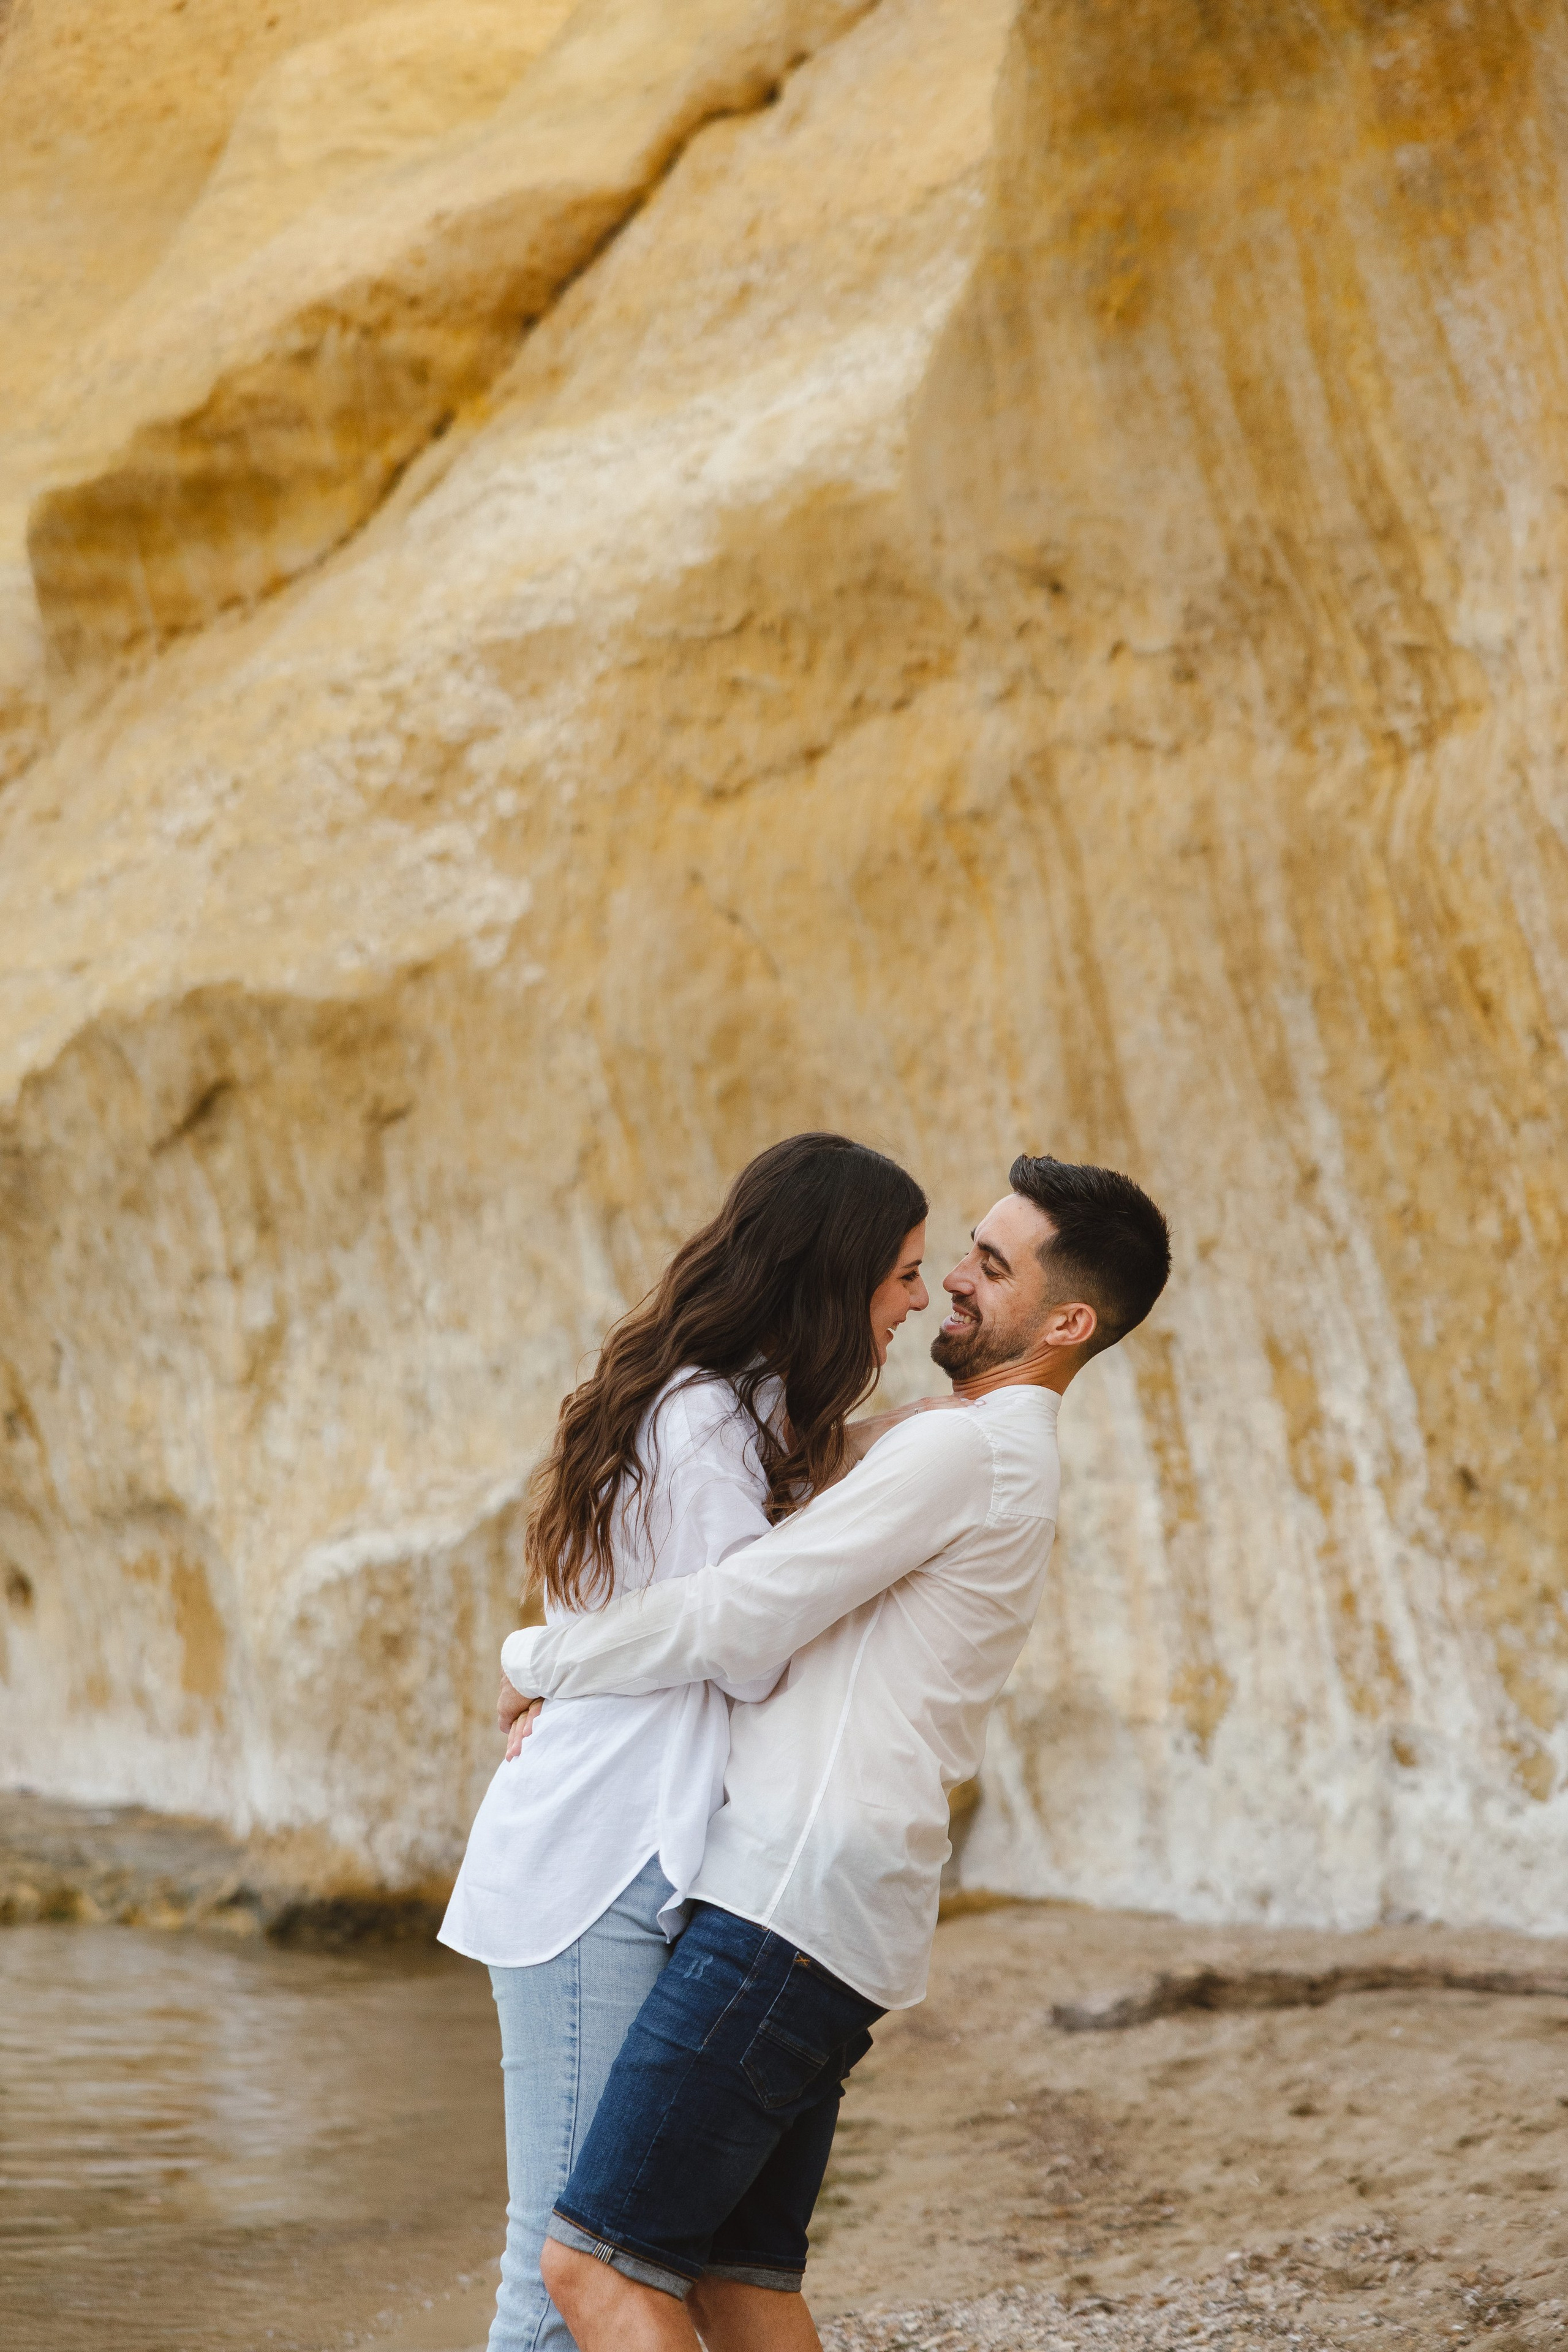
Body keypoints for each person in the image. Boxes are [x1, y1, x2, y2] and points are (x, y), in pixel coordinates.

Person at [497, 1153, 1172, 2352]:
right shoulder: (968, 1443)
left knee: (589, 2267)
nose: (949, 1284)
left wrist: (537, 1660)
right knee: (732, 2282)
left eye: (988, 1268)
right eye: (957, 1253)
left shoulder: (963, 1452)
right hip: (837, 1908)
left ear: (1067, 1322)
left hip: (782, 1902)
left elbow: (739, 1616)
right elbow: (800, 1483)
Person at [439, 1133, 933, 2352]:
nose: (918, 1301)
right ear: (837, 1275)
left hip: (639, 1856)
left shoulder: (740, 1414)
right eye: (904, 1274)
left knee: (623, 2251)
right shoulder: (702, 1419)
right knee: (557, 2260)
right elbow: (748, 1649)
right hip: (594, 1862)